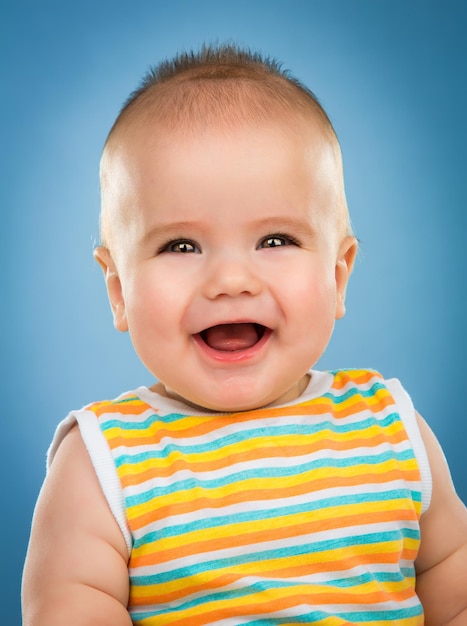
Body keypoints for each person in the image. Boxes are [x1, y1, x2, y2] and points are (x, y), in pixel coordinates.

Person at [22, 44, 467, 626]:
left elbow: (453, 589)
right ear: (118, 289)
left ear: (337, 276)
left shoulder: (391, 427)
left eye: (275, 240)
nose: (230, 280)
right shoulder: (103, 465)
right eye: (181, 246)